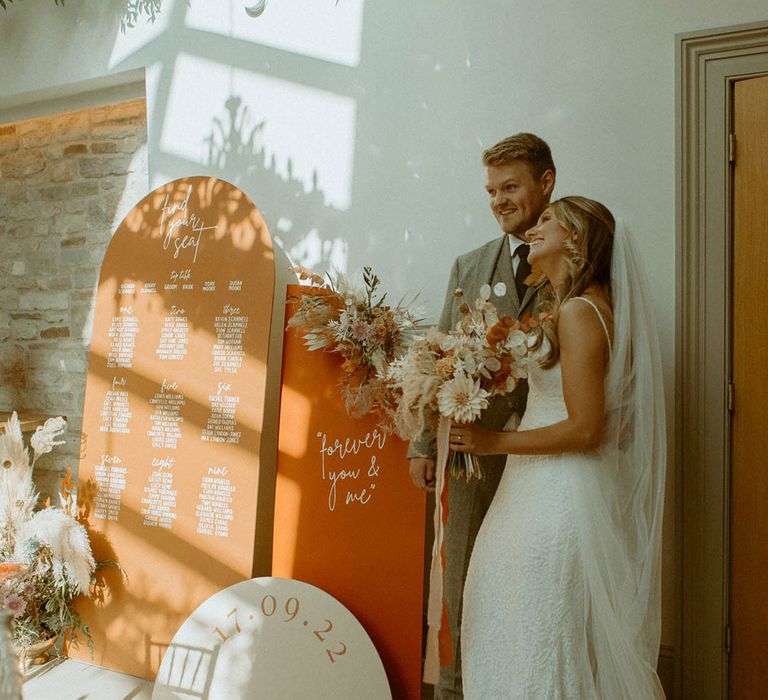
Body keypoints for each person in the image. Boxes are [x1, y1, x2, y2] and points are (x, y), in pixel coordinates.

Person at [452, 197, 666, 698]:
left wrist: (492, 442)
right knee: (514, 623)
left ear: (577, 238)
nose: (534, 226)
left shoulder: (579, 312)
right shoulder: (570, 307)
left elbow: (586, 428)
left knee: (536, 633)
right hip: (532, 491)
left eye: (548, 219)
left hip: (555, 498)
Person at [408, 133, 555, 698]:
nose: (499, 200)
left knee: (532, 583)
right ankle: (461, 687)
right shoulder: (469, 267)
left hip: (548, 457)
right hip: (472, 460)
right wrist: (424, 444)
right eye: (491, 190)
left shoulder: (579, 261)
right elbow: (436, 360)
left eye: (511, 186)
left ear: (546, 182)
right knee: (466, 582)